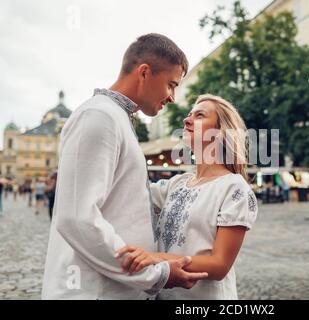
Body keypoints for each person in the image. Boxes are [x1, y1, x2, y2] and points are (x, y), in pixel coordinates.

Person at [42, 33, 208, 300]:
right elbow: (77, 217)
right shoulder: (98, 116)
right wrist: (155, 275)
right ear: (144, 72)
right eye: (171, 84)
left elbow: (126, 197)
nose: (173, 97)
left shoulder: (116, 117)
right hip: (92, 291)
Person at [116, 94, 258, 299]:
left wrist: (155, 258)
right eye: (189, 114)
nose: (186, 119)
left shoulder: (234, 188)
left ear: (220, 133)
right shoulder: (177, 183)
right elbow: (129, 193)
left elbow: (219, 266)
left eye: (200, 115)